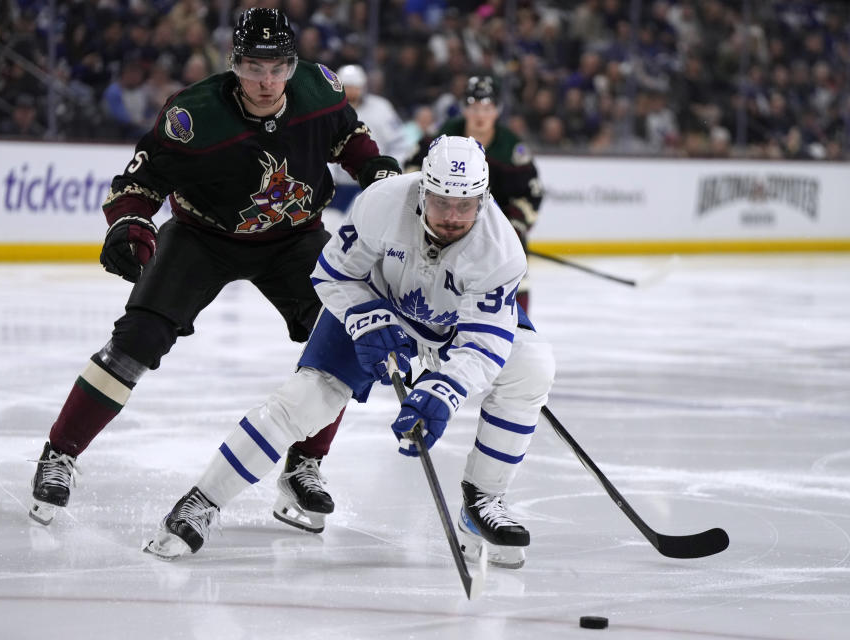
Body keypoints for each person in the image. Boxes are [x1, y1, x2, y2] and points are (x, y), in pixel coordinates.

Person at [28, 8, 402, 534]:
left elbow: (350, 140)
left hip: (294, 237)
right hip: (204, 237)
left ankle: (304, 465)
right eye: (254, 67)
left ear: (293, 65)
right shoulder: (193, 116)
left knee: (341, 337)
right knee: (137, 339)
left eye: (278, 67)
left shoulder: (320, 89)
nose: (267, 81)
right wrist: (130, 223)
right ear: (234, 64)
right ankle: (59, 453)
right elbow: (140, 182)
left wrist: (378, 174)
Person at [144, 136, 556, 569]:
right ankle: (201, 501)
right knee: (305, 399)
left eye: (465, 205)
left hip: (452, 325)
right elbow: (333, 274)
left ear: (483, 199)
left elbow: (484, 343)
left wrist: (442, 391)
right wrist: (366, 318)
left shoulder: (501, 249)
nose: (452, 218)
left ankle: (481, 502)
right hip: (376, 302)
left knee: (531, 367)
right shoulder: (383, 202)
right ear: (422, 193)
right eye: (440, 203)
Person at [406, 76, 543, 311]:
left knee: (515, 257)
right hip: (445, 218)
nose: (481, 115)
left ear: (497, 110)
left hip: (497, 226)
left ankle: (517, 320)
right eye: (474, 107)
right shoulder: (441, 138)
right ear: (464, 109)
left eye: (488, 108)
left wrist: (513, 225)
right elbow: (410, 173)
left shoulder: (512, 147)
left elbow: (531, 194)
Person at [328, 64, 409, 213]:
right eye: (348, 86)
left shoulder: (381, 108)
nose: (352, 91)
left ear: (363, 86)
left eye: (355, 86)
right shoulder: (328, 110)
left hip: (375, 183)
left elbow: (399, 143)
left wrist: (390, 171)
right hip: (340, 187)